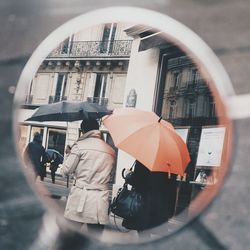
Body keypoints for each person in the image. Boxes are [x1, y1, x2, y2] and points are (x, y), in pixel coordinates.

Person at [60, 118, 115, 236]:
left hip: (80, 197)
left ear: (83, 130)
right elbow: (111, 175)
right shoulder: (110, 151)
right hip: (100, 200)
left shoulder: (79, 146)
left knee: (70, 237)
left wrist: (69, 154)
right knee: (95, 239)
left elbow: (65, 171)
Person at [122, 160, 174, 232]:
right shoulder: (166, 162)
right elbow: (169, 183)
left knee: (143, 227)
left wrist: (129, 175)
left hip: (144, 200)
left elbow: (137, 180)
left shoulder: (143, 160)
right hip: (159, 201)